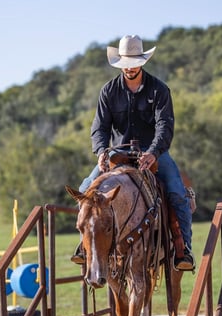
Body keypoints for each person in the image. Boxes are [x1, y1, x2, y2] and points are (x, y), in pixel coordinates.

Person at [71, 34, 195, 271]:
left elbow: (165, 126)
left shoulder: (159, 90)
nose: (130, 67)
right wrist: (100, 152)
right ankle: (84, 246)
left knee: (177, 193)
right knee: (85, 190)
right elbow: (99, 127)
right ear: (120, 63)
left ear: (142, 62)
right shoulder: (108, 91)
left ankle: (183, 249)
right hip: (116, 153)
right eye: (126, 63)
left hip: (152, 154)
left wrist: (154, 152)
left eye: (134, 62)